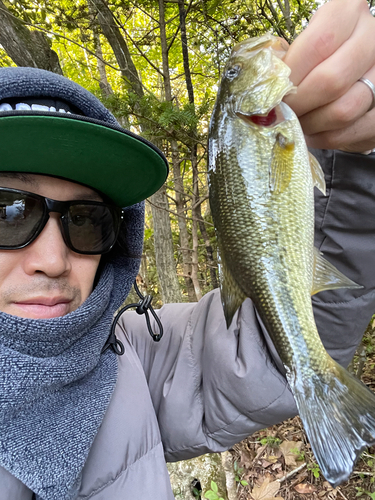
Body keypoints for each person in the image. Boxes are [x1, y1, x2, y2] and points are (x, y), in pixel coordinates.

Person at [0, 0, 375, 498]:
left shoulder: (127, 354)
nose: (52, 260)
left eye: (87, 220)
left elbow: (264, 350)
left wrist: (357, 156)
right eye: (9, 212)